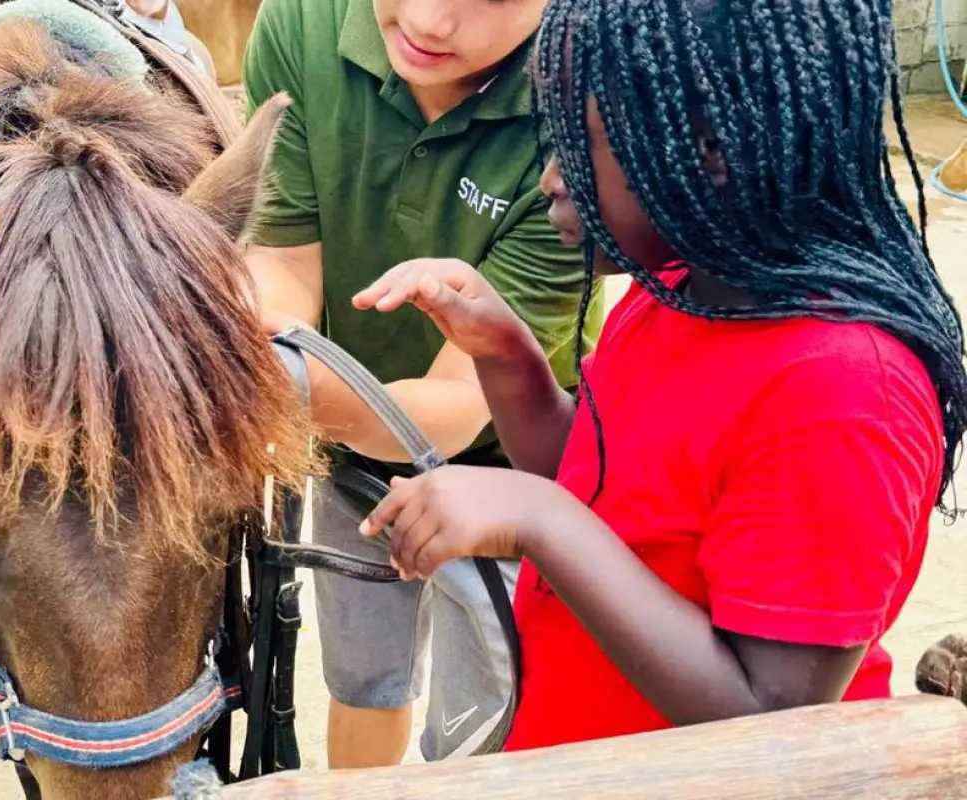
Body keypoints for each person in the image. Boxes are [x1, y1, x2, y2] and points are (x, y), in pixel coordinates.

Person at [357, 0, 967, 750]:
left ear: (712, 150)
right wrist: (505, 355)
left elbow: (770, 715)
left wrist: (539, 518)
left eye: (580, 148)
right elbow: (592, 478)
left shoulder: (844, 392)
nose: (550, 180)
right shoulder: (679, 290)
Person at [240, 0, 603, 767]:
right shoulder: (305, 21)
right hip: (345, 445)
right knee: (364, 679)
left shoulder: (585, 96)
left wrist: (269, 389)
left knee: (484, 723)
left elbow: (463, 401)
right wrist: (275, 363)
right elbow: (281, 260)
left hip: (515, 471)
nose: (432, 22)